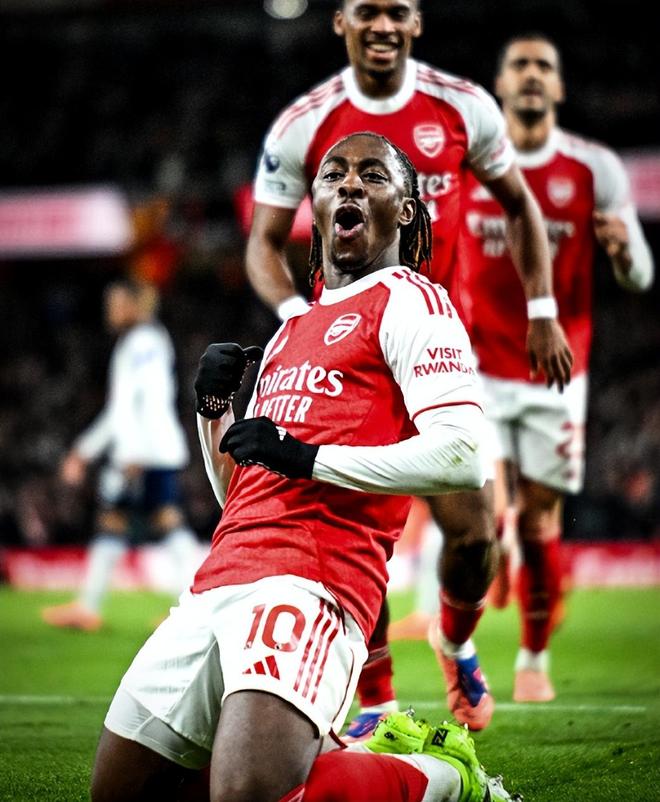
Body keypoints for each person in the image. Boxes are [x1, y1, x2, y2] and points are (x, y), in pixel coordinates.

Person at [89, 133, 519, 802]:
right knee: (120, 794)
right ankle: (341, 754)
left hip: (312, 583)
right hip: (217, 582)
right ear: (313, 204)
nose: (349, 184)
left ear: (406, 210)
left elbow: (462, 456)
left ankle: (445, 778)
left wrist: (307, 457)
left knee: (250, 794)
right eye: (333, 175)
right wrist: (212, 413)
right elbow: (244, 494)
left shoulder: (412, 302)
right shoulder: (290, 331)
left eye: (372, 175)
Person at [245, 0, 573, 733]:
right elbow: (263, 242)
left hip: (431, 342)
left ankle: (454, 642)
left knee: (475, 533)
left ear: (417, 22)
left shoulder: (463, 108)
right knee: (347, 524)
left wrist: (543, 310)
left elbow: (519, 206)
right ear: (341, 21)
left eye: (398, 11)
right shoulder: (304, 122)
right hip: (344, 351)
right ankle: (378, 700)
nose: (383, 26)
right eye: (368, 12)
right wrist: (299, 319)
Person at [459, 33, 654, 702]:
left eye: (544, 66)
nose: (533, 74)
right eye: (520, 65)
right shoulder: (470, 162)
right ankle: (473, 616)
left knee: (540, 524)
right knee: (480, 516)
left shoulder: (594, 167)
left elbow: (641, 275)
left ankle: (533, 658)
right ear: (500, 85)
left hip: (556, 371)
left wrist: (625, 253)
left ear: (560, 88)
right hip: (473, 366)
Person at [41, 279, 201, 631]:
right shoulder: (140, 341)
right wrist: (84, 451)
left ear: (135, 304)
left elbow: (146, 399)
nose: (109, 310)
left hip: (144, 452)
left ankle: (194, 607)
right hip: (149, 449)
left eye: (115, 303)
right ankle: (89, 608)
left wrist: (130, 453)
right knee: (136, 520)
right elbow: (122, 409)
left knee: (161, 520)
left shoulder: (144, 342)